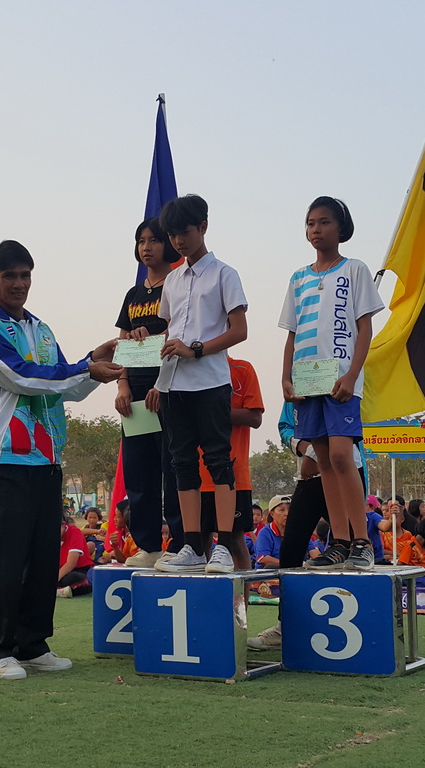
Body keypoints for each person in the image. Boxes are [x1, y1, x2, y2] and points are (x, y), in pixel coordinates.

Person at [0, 239, 122, 680]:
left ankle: (32, 644)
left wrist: (93, 365)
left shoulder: (42, 329)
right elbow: (18, 376)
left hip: (48, 458)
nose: (19, 284)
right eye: (10, 276)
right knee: (5, 558)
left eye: (25, 275)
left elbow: (64, 387)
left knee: (41, 556)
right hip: (7, 457)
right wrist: (83, 368)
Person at [279, 197, 384, 572]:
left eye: (324, 222)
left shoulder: (355, 269)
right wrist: (286, 377)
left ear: (341, 228)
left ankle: (361, 542)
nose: (316, 229)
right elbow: (291, 334)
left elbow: (364, 327)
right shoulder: (298, 278)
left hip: (340, 379)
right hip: (308, 381)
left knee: (342, 455)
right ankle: (338, 542)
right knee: (322, 460)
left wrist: (352, 374)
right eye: (310, 223)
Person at [151, 195, 249, 575]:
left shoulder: (225, 274)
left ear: (203, 227)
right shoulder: (172, 280)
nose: (178, 241)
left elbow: (239, 331)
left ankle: (222, 545)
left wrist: (196, 349)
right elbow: (169, 332)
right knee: (181, 463)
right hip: (173, 384)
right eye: (172, 234)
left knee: (218, 460)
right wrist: (158, 378)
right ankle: (192, 545)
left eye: (185, 232)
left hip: (210, 381)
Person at [113, 218, 183, 567]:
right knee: (139, 471)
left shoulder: (179, 286)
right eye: (141, 240)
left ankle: (181, 545)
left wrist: (161, 383)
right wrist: (123, 384)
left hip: (169, 389)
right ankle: (148, 546)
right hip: (136, 396)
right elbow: (122, 342)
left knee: (174, 469)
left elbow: (178, 336)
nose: (146, 247)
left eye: (154, 240)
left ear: (168, 244)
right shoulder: (133, 294)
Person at [199, 356, 263, 569]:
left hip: (233, 476)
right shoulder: (187, 372)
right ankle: (204, 591)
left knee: (235, 540)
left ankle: (243, 592)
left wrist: (213, 412)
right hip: (195, 477)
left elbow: (255, 418)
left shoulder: (242, 369)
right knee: (200, 541)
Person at [56, 514, 93, 598]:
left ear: (63, 524)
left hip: (79, 569)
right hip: (60, 570)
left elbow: (71, 563)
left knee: (76, 578)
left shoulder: (75, 532)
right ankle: (60, 591)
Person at [255, 495, 289, 568]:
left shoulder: (297, 532)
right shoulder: (265, 533)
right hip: (271, 572)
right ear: (272, 514)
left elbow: (312, 549)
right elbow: (263, 558)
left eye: (290, 509)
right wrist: (288, 564)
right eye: (282, 510)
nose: (287, 513)